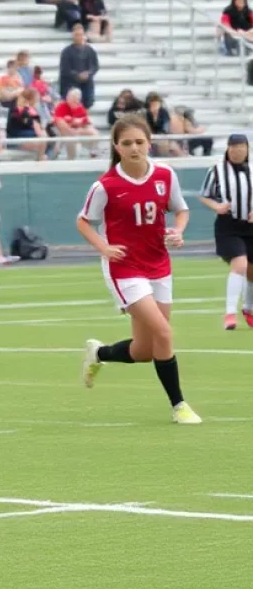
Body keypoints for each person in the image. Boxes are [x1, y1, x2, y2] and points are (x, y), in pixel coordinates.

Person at [78, 115, 201, 425]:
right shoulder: (105, 185)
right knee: (163, 332)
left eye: (140, 142)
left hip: (159, 263)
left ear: (150, 143)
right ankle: (179, 406)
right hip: (125, 268)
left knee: (146, 349)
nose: (134, 148)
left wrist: (178, 230)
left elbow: (181, 209)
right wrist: (103, 247)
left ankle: (99, 354)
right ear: (116, 146)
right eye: (127, 143)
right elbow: (83, 221)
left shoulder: (165, 174)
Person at [199, 133, 253, 330]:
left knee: (252, 273)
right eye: (234, 147)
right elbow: (204, 195)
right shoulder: (217, 170)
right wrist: (216, 207)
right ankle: (230, 314)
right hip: (228, 226)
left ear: (247, 149)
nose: (237, 151)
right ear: (228, 149)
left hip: (250, 226)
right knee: (239, 263)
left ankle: (248, 308)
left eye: (241, 147)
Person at [59, 23, 99, 108]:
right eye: (76, 35)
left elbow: (95, 66)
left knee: (88, 102)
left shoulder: (90, 50)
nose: (79, 37)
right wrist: (77, 75)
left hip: (86, 82)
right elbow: (65, 69)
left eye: (80, 34)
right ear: (73, 36)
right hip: (71, 83)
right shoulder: (66, 52)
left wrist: (88, 73)